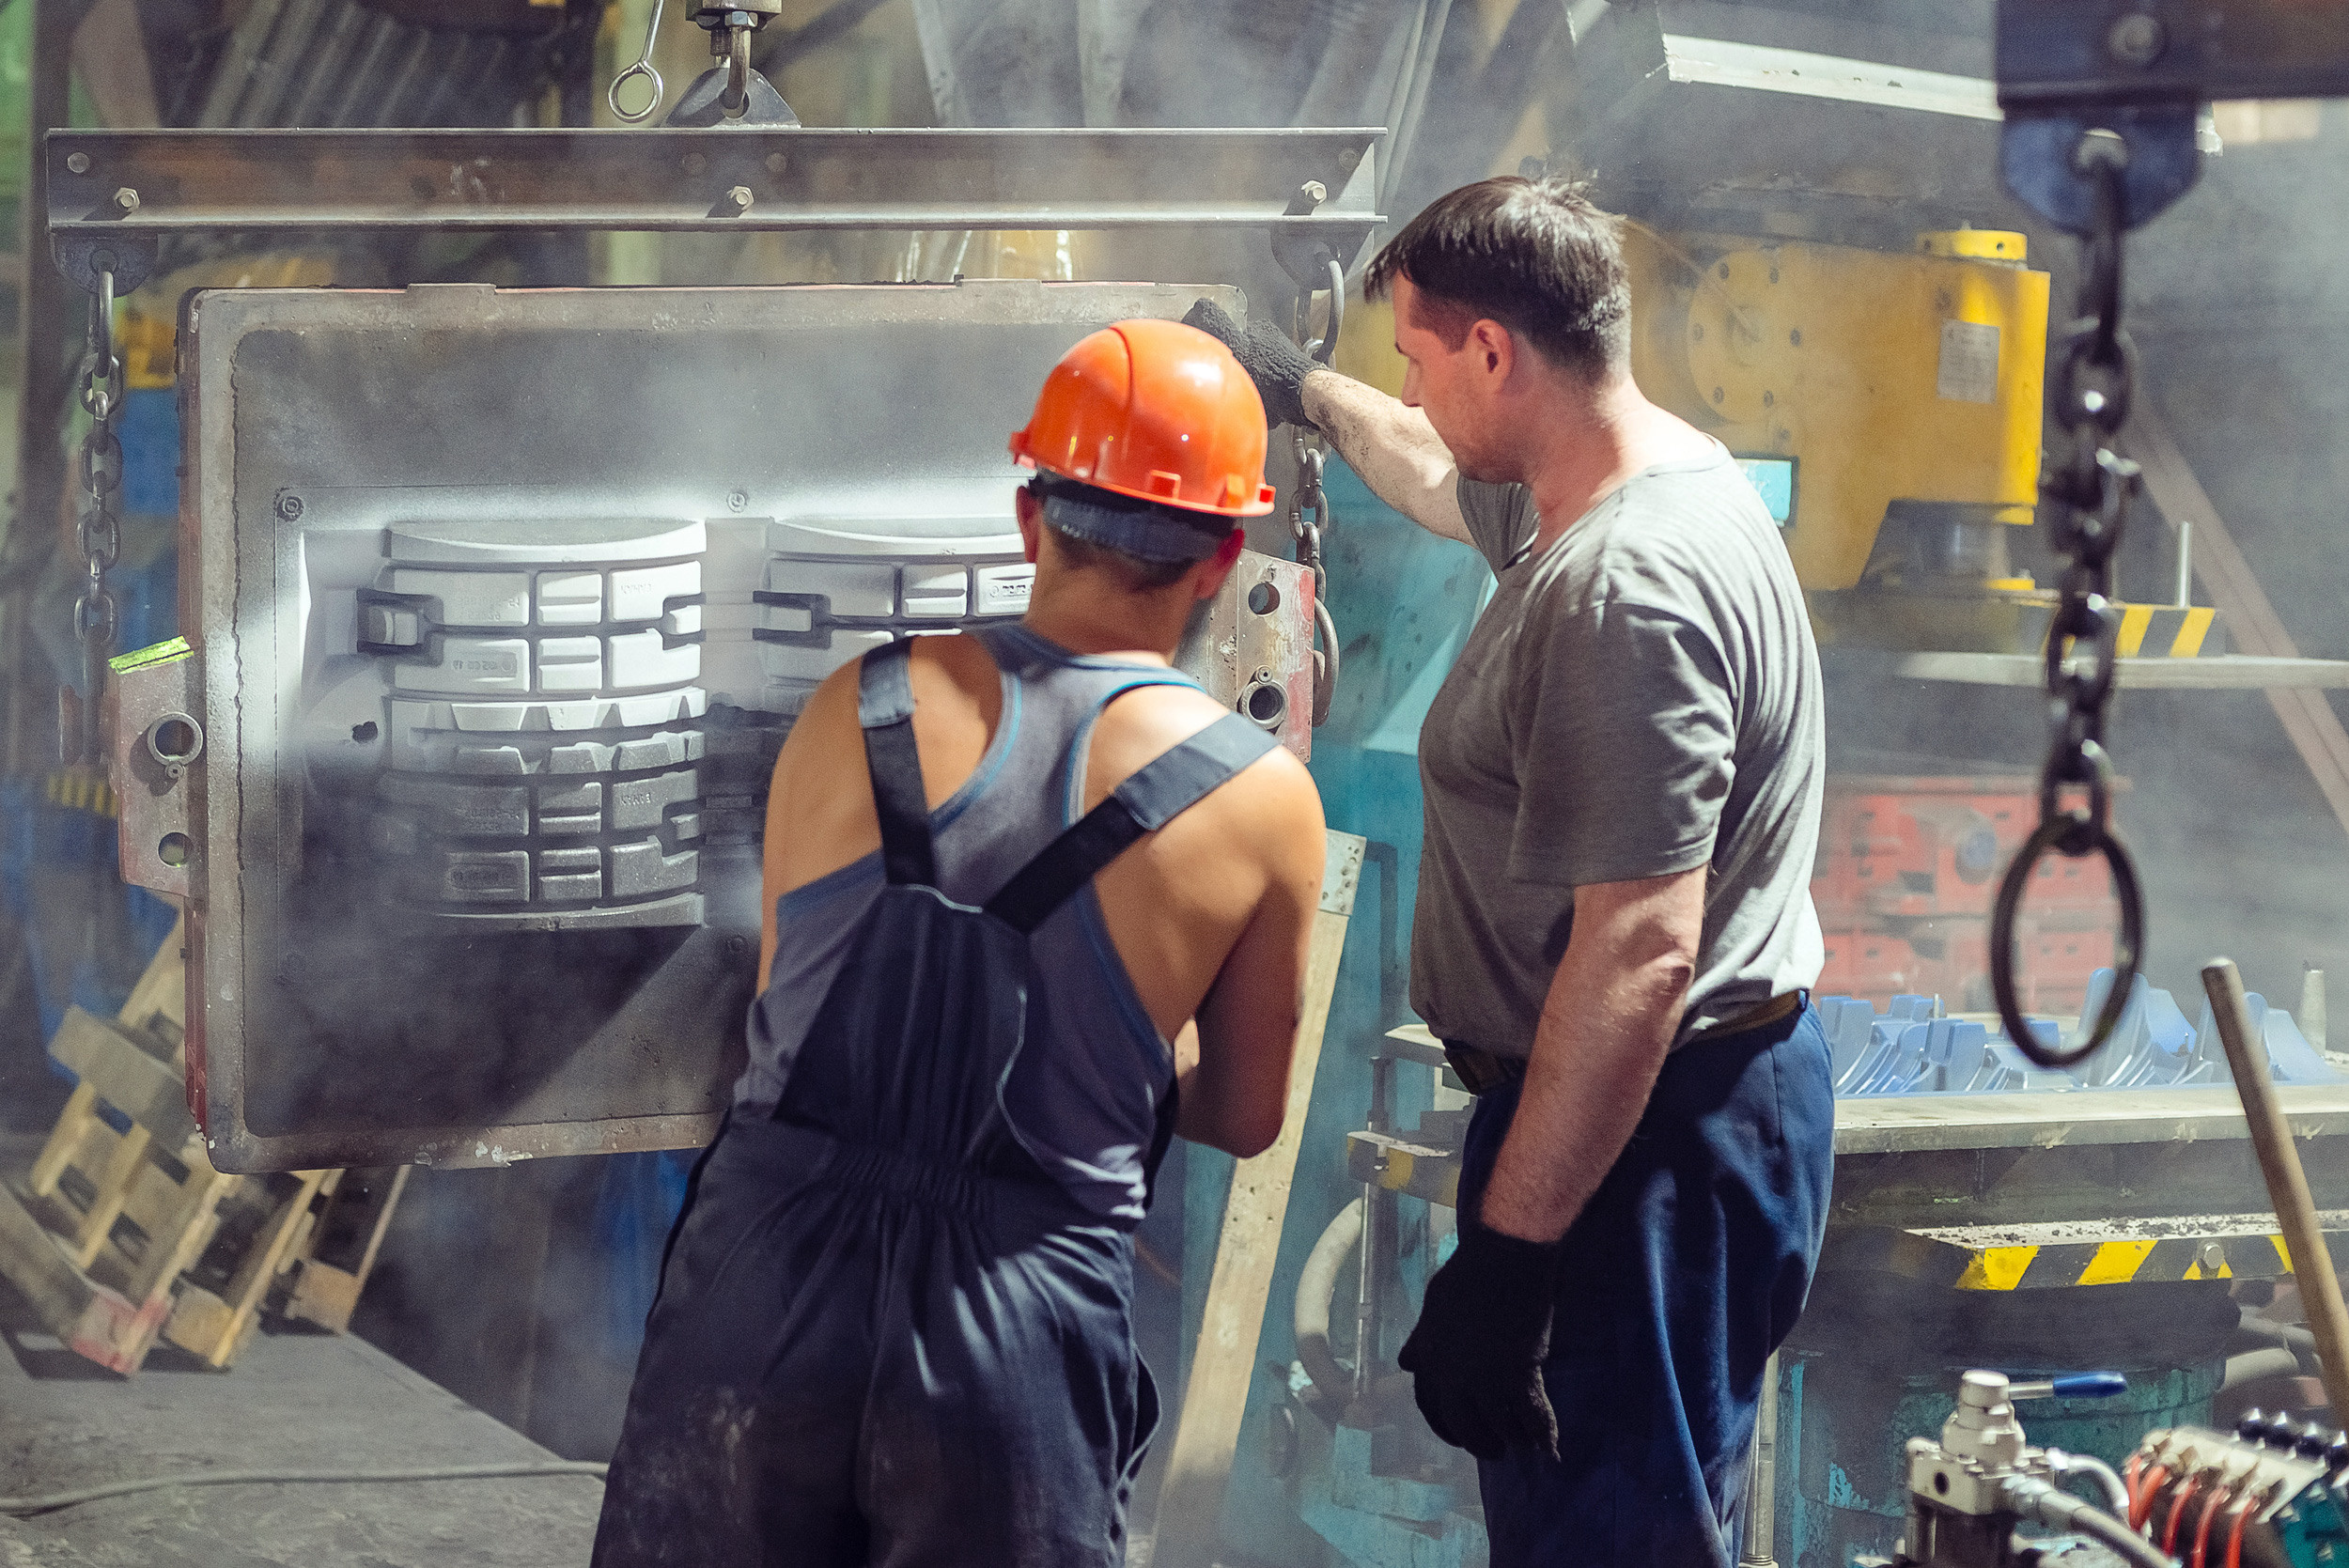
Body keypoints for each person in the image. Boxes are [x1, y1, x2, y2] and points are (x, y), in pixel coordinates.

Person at [592, 318, 1328, 1568]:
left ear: (1029, 517)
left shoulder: (853, 705)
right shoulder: (1260, 802)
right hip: (1013, 1319)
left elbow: (797, 1012)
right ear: (1220, 558)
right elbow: (1246, 1110)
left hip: (765, 1284)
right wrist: (1108, 1034)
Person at [1188, 177, 1833, 1566]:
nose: (1405, 387)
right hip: (1654, 1115)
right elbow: (1435, 469)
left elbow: (1640, 951)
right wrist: (1305, 391)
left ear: (1496, 352)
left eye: (1416, 357)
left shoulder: (1627, 589)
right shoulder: (1631, 478)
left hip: (1642, 1141)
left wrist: (1514, 1253)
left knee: (1617, 1540)